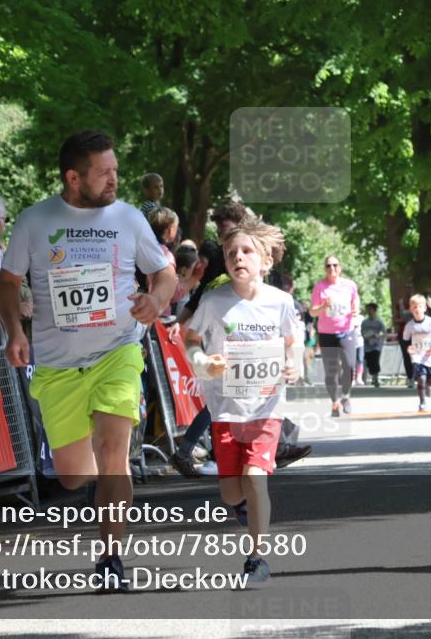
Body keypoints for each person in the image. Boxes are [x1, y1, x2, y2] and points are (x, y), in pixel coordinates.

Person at [0, 129, 176, 591]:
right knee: (75, 476)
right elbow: (9, 281)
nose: (115, 179)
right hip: (57, 365)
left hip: (117, 350)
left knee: (114, 450)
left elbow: (165, 272)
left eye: (116, 169)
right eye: (105, 172)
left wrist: (156, 301)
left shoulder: (129, 217)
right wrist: (16, 330)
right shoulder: (35, 221)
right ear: (74, 178)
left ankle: (111, 558)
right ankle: (96, 471)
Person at [184, 219, 299, 586]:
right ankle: (244, 507)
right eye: (231, 253)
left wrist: (293, 363)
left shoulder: (280, 302)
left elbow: (291, 342)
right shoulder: (215, 302)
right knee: (232, 491)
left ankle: (257, 558)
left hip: (266, 409)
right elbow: (189, 337)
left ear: (265, 261)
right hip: (226, 410)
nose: (238, 258)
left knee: (255, 479)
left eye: (247, 251)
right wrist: (202, 362)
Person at [309, 255, 360, 416]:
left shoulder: (349, 285)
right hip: (326, 333)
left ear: (340, 267)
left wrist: (355, 310)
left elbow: (355, 302)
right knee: (331, 371)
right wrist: (324, 306)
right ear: (325, 269)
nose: (332, 268)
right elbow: (312, 311)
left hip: (346, 331)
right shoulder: (320, 287)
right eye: (328, 266)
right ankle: (335, 402)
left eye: (335, 265)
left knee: (349, 366)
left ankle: (345, 395)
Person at [402, 294, 431, 411]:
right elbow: (405, 340)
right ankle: (422, 402)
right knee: (421, 379)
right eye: (414, 307)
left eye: (419, 306)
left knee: (430, 379)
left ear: (425, 308)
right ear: (410, 309)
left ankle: (430, 385)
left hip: (430, 354)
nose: (417, 309)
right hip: (417, 355)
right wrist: (408, 347)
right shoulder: (409, 325)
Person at [361, 303, 386, 387]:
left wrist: (378, 336)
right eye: (367, 309)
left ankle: (376, 378)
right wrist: (366, 336)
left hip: (376, 345)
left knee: (375, 361)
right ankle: (372, 375)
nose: (369, 311)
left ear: (374, 310)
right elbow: (362, 332)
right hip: (367, 346)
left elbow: (384, 332)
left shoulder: (379, 322)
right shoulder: (364, 322)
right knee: (369, 362)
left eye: (370, 309)